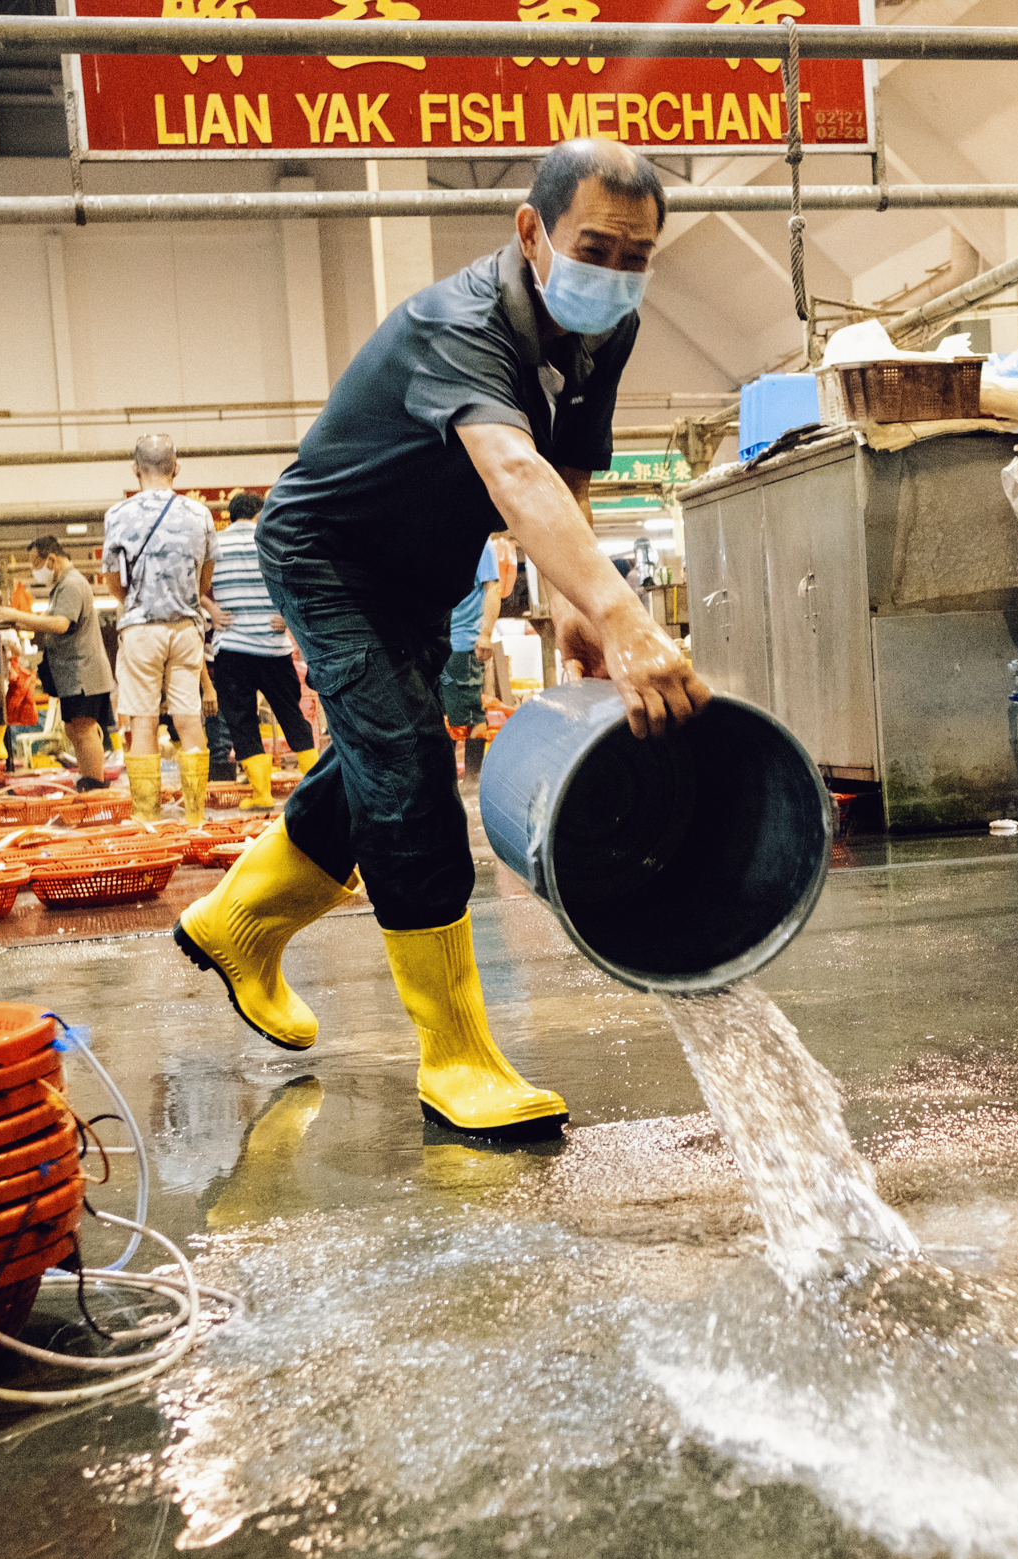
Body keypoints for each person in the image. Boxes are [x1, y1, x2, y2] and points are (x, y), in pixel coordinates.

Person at [176, 137, 711, 1140]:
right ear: (530, 230)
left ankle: (235, 922)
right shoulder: (457, 323)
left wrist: (576, 601)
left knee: (379, 761)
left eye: (638, 256)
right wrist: (629, 617)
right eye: (596, 247)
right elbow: (512, 474)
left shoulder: (609, 326)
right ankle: (455, 1054)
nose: (617, 273)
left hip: (422, 569)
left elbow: (566, 464)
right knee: (412, 769)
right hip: (331, 556)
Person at [104, 435, 221, 825]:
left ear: (135, 469)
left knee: (144, 720)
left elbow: (112, 583)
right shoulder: (200, 513)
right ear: (177, 467)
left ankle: (146, 819)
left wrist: (138, 599)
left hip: (140, 630)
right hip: (187, 628)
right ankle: (195, 818)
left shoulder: (118, 515)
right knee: (188, 717)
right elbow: (205, 581)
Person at [207, 490, 319, 810]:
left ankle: (262, 793)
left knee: (242, 720)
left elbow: (189, 585)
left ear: (230, 516)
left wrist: (211, 611)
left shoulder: (215, 543)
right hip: (274, 648)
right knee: (291, 715)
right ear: (259, 514)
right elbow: (302, 581)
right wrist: (287, 615)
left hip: (232, 647)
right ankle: (314, 786)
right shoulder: (274, 540)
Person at [0, 535, 116, 790]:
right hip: (76, 675)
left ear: (51, 559)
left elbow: (61, 623)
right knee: (75, 729)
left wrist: (18, 615)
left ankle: (94, 784)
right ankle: (90, 779)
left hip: (83, 674)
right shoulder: (63, 585)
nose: (34, 571)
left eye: (36, 564)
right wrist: (21, 621)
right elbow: (53, 618)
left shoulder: (71, 584)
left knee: (83, 729)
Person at [441, 535, 515, 739]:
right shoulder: (441, 536)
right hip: (439, 642)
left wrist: (485, 635)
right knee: (445, 715)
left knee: (470, 717)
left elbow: (494, 589)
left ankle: (474, 771)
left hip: (463, 643)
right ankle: (453, 769)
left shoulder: (481, 541)